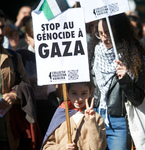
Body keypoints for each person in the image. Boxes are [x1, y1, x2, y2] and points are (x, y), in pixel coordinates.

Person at [88, 13, 145, 150]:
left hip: (119, 122)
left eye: (108, 33)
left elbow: (138, 99)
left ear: (119, 31)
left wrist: (126, 80)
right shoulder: (94, 55)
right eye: (100, 33)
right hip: (95, 117)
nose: (104, 38)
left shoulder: (134, 57)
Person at [0, 9, 42, 150]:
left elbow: (27, 86)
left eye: (1, 27)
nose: (0, 33)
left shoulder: (13, 57)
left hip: (7, 133)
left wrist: (15, 95)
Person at [16, 17, 62, 138]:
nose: (40, 40)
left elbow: (59, 91)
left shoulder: (55, 54)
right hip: (30, 108)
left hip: (51, 106)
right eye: (35, 36)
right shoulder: (21, 56)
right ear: (27, 38)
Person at [41, 80, 107, 150]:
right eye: (74, 93)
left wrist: (91, 122)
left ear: (90, 92)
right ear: (67, 93)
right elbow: (46, 147)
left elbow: (99, 147)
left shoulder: (96, 118)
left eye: (84, 93)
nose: (79, 98)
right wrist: (63, 148)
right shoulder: (61, 114)